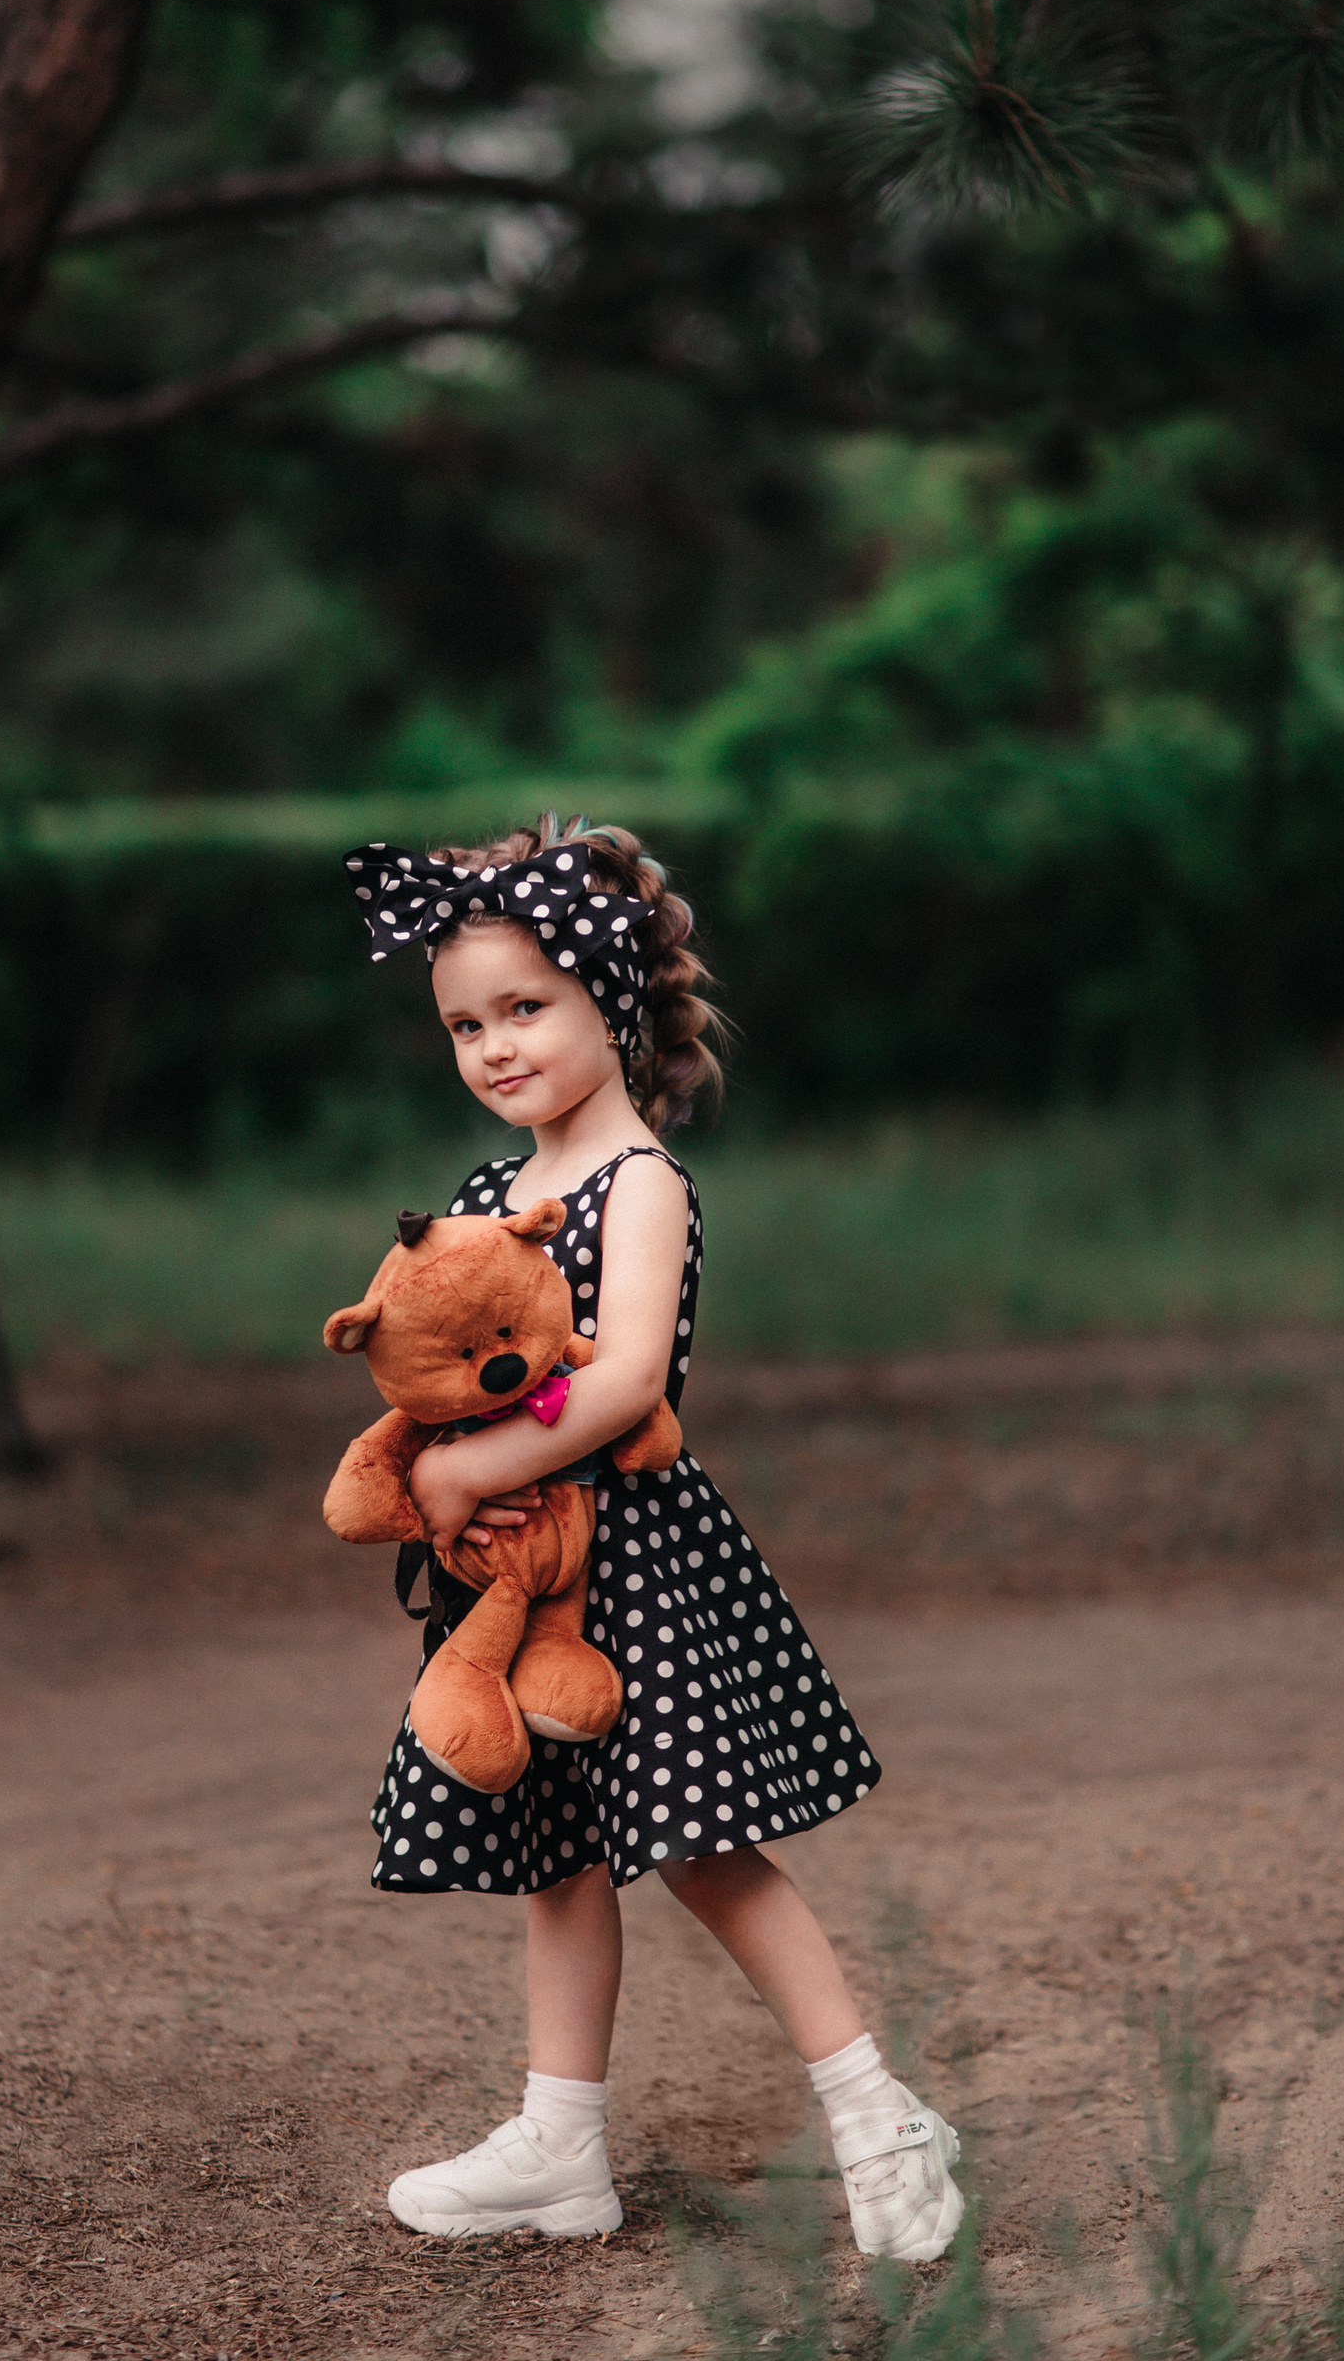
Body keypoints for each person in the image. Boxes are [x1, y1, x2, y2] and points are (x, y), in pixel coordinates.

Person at [340, 814, 963, 2265]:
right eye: (463, 1024)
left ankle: (877, 2115)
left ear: (611, 1001)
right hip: (520, 1565)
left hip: (630, 1562)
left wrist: (467, 1468)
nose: (494, 1046)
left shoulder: (644, 1187)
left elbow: (621, 1381)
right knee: (553, 1852)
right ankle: (561, 2147)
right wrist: (429, 1461)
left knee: (705, 1850)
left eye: (525, 1008)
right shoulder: (487, 1197)